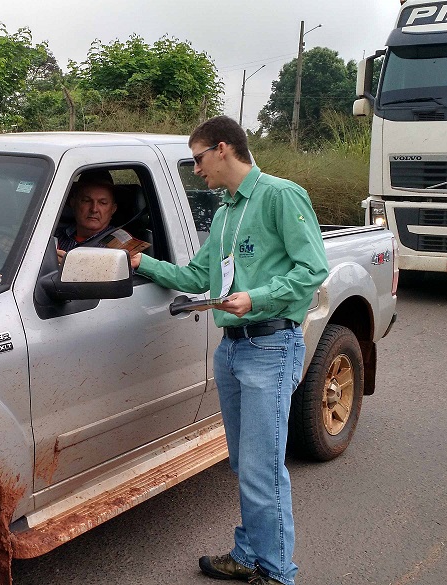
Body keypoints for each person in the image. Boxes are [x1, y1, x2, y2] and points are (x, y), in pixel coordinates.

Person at [130, 116, 328, 585]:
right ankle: (248, 554)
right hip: (232, 350)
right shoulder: (225, 212)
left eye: (198, 158)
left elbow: (313, 268)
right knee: (244, 464)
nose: (196, 170)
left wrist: (256, 298)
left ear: (223, 149)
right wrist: (141, 262)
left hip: (269, 345)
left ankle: (278, 573)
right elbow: (200, 277)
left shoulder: (280, 195)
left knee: (262, 469)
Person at [55, 177, 119, 263]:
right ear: (73, 203)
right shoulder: (54, 236)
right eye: (86, 201)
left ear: (113, 209)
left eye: (102, 203)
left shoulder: (121, 245)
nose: (94, 209)